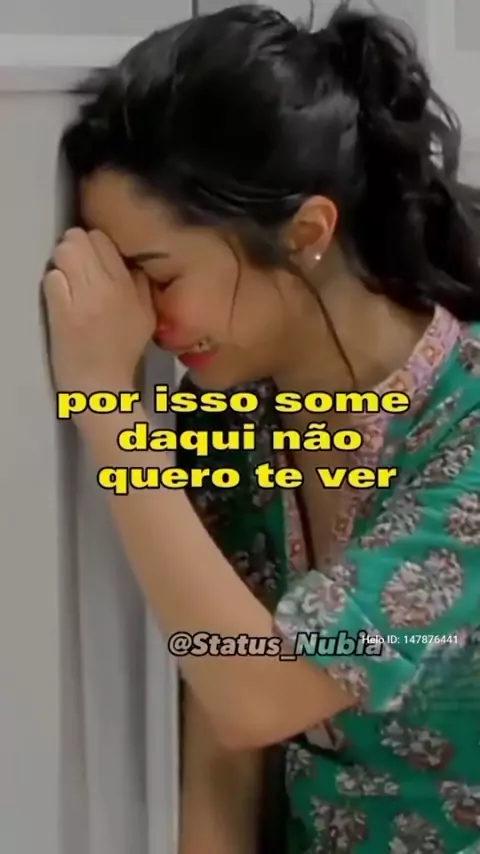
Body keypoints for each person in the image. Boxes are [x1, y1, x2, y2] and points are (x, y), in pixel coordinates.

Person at [42, 2, 480, 852]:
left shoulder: (465, 425)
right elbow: (218, 726)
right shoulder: (228, 416)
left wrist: (104, 403)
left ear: (307, 233)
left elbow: (260, 693)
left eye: (159, 275)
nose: (145, 322)